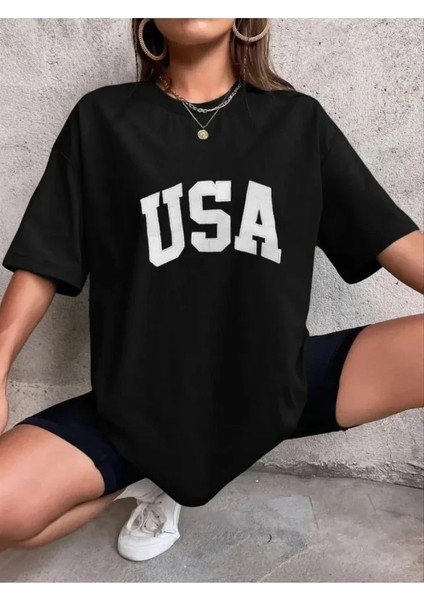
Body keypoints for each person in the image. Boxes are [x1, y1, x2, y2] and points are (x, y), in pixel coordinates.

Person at [0, 17, 422, 564]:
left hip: (275, 388)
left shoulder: (297, 122)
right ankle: (150, 476)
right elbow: (43, 259)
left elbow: (397, 241)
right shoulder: (102, 119)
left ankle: (170, 470)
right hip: (139, 407)